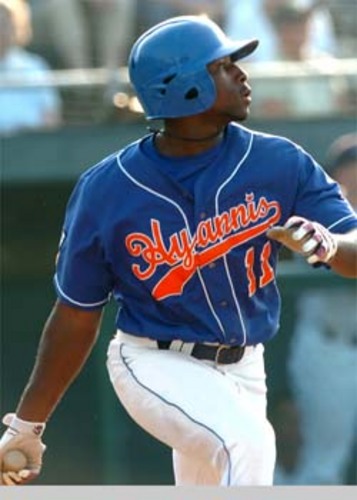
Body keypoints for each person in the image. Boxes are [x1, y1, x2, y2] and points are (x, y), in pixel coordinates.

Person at [0, 15, 356, 487]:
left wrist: (330, 245)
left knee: (220, 470)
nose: (243, 75)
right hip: (154, 361)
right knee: (247, 443)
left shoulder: (279, 161)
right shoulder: (108, 189)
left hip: (246, 367)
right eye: (225, 66)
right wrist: (27, 425)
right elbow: (76, 315)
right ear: (184, 88)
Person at [274, 133, 357, 485]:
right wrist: (282, 391)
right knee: (313, 470)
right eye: (350, 173)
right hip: (325, 349)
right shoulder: (317, 221)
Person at [0, 0, 61, 134]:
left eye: (5, 22)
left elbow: (51, 117)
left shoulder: (35, 65)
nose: (1, 29)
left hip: (32, 145)